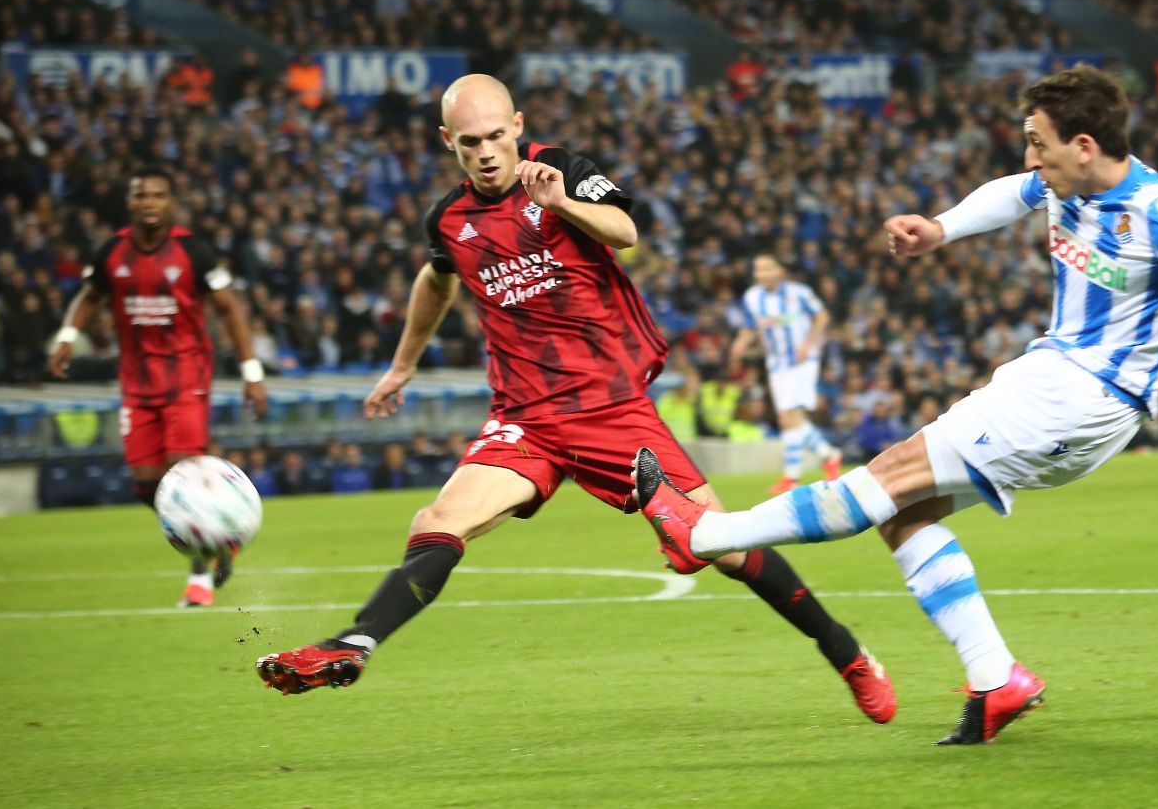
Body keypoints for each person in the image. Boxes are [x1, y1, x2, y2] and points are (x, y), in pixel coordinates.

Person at [633, 65, 1158, 746]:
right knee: (906, 514)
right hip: (1064, 389)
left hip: (1078, 394)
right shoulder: (1064, 186)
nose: (1030, 159)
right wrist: (939, 228)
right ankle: (996, 679)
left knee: (886, 477)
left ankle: (703, 534)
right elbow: (1008, 194)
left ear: (1083, 145)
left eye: (1038, 144)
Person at [256, 75, 896, 724]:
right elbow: (435, 276)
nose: (484, 152)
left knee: (720, 544)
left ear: (517, 126)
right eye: (469, 142)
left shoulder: (558, 171)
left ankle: (846, 652)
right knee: (436, 523)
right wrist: (401, 366)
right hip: (523, 419)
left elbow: (624, 231)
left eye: (496, 136)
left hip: (608, 409)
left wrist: (562, 204)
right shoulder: (448, 219)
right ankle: (352, 644)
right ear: (448, 142)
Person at [49, 167, 268, 607]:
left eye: (157, 195)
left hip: (187, 376)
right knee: (146, 484)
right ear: (130, 202)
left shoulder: (193, 250)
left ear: (170, 202)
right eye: (140, 195)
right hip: (136, 381)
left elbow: (229, 309)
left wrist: (251, 371)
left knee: (181, 470)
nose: (149, 202)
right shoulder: (112, 250)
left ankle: (200, 574)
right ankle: (213, 536)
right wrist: (68, 337)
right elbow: (90, 295)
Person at [730, 254, 843, 493]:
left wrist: (809, 344)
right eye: (759, 270)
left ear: (779, 270)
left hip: (802, 360)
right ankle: (829, 455)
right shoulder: (752, 298)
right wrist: (740, 343)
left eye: (768, 268)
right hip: (776, 363)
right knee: (787, 419)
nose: (763, 274)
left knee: (791, 415)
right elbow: (750, 328)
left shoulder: (798, 292)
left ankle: (792, 477)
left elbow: (822, 317)